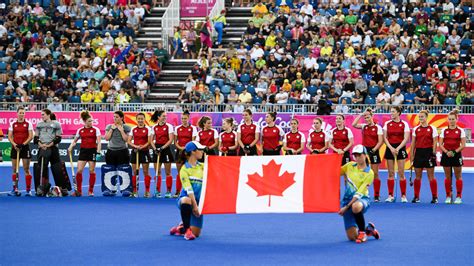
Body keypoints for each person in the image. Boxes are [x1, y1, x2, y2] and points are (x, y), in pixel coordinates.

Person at [339, 145, 381, 244]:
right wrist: (338, 157)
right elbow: (335, 172)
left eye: (359, 155)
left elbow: (359, 193)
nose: (357, 158)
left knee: (356, 206)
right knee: (352, 237)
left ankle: (362, 232)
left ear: (365, 155)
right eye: (355, 155)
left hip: (362, 200)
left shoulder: (370, 173)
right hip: (347, 200)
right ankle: (369, 230)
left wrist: (346, 207)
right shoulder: (349, 165)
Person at [169, 141, 206, 241]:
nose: (202, 152)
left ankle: (181, 228)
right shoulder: (184, 170)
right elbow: (189, 191)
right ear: (193, 152)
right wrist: (194, 207)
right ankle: (187, 231)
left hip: (199, 202)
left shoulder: (203, 166)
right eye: (200, 150)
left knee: (197, 233)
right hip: (187, 200)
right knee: (186, 200)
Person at [352, 108, 384, 202]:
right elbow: (354, 124)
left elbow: (380, 141)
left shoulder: (378, 127)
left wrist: (374, 149)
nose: (366, 119)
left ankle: (376, 195)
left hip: (374, 150)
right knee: (363, 173)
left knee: (375, 173)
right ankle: (363, 193)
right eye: (365, 117)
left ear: (372, 117)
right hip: (364, 151)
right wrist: (361, 114)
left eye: (368, 117)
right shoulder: (364, 126)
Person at [67, 111, 101, 197]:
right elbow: (74, 141)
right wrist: (71, 147)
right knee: (79, 170)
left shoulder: (95, 130)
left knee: (91, 170)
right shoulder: (80, 130)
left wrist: (98, 152)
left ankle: (90, 191)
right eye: (89, 121)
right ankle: (79, 191)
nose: (91, 122)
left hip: (92, 151)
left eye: (91, 121)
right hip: (83, 151)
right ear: (85, 121)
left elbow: (99, 142)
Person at [410, 110, 439, 203]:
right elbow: (413, 144)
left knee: (431, 176)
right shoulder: (416, 129)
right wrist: (411, 157)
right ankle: (416, 197)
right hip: (418, 153)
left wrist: (433, 154)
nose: (420, 118)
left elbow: (435, 142)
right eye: (419, 117)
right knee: (418, 177)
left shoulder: (432, 128)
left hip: (428, 153)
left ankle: (435, 197)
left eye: (422, 116)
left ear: (426, 117)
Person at [383, 106, 410, 203]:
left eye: (393, 112)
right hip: (390, 148)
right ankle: (390, 195)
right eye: (391, 111)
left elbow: (406, 138)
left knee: (401, 173)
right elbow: (385, 138)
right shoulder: (387, 124)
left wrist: (398, 148)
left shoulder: (404, 124)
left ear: (398, 113)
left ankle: (403, 195)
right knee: (390, 173)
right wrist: (391, 148)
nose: (391, 113)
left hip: (400, 148)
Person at [34, 109, 63, 196]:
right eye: (41, 114)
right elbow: (35, 138)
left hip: (53, 148)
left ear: (48, 115)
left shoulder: (56, 124)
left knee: (57, 168)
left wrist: (49, 145)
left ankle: (60, 188)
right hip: (42, 149)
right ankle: (43, 188)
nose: (41, 116)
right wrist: (41, 145)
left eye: (43, 114)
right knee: (42, 168)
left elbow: (58, 138)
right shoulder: (39, 124)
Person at [440, 109, 465, 204]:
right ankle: (448, 196)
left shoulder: (460, 131)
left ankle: (458, 196)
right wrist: (447, 152)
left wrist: (454, 152)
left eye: (453, 119)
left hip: (456, 154)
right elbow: (440, 144)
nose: (451, 121)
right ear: (447, 120)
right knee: (448, 177)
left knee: (458, 176)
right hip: (446, 154)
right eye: (450, 119)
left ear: (457, 119)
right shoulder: (444, 130)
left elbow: (463, 145)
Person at [7, 106, 34, 196]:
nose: (21, 114)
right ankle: (15, 189)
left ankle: (28, 190)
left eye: (23, 113)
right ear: (17, 113)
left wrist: (23, 144)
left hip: (25, 148)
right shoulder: (13, 124)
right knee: (14, 169)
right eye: (20, 113)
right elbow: (10, 136)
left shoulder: (28, 123)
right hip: (15, 148)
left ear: (24, 114)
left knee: (26, 169)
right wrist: (14, 144)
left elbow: (30, 136)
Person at [150, 110, 175, 198]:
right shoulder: (154, 127)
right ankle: (157, 190)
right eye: (163, 116)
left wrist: (162, 148)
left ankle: (168, 191)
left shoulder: (169, 126)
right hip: (157, 149)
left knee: (168, 172)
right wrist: (155, 148)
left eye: (166, 116)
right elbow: (151, 140)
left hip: (166, 148)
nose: (165, 117)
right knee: (158, 171)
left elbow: (171, 139)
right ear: (158, 117)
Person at [174, 110, 198, 198]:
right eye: (182, 118)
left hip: (189, 153)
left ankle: (190, 191)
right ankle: (178, 191)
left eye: (185, 118)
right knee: (179, 172)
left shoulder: (193, 128)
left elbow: (193, 141)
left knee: (190, 172)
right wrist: (180, 148)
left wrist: (186, 149)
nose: (184, 120)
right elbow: (175, 141)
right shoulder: (177, 128)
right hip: (180, 152)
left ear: (188, 118)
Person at [128, 113, 152, 198]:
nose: (140, 120)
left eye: (142, 119)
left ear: (144, 119)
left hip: (144, 152)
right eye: (139, 119)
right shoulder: (133, 129)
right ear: (136, 119)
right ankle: (134, 191)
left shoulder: (148, 129)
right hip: (135, 152)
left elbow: (149, 142)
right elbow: (129, 141)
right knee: (135, 172)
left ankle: (147, 191)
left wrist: (141, 147)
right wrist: (135, 146)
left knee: (145, 172)